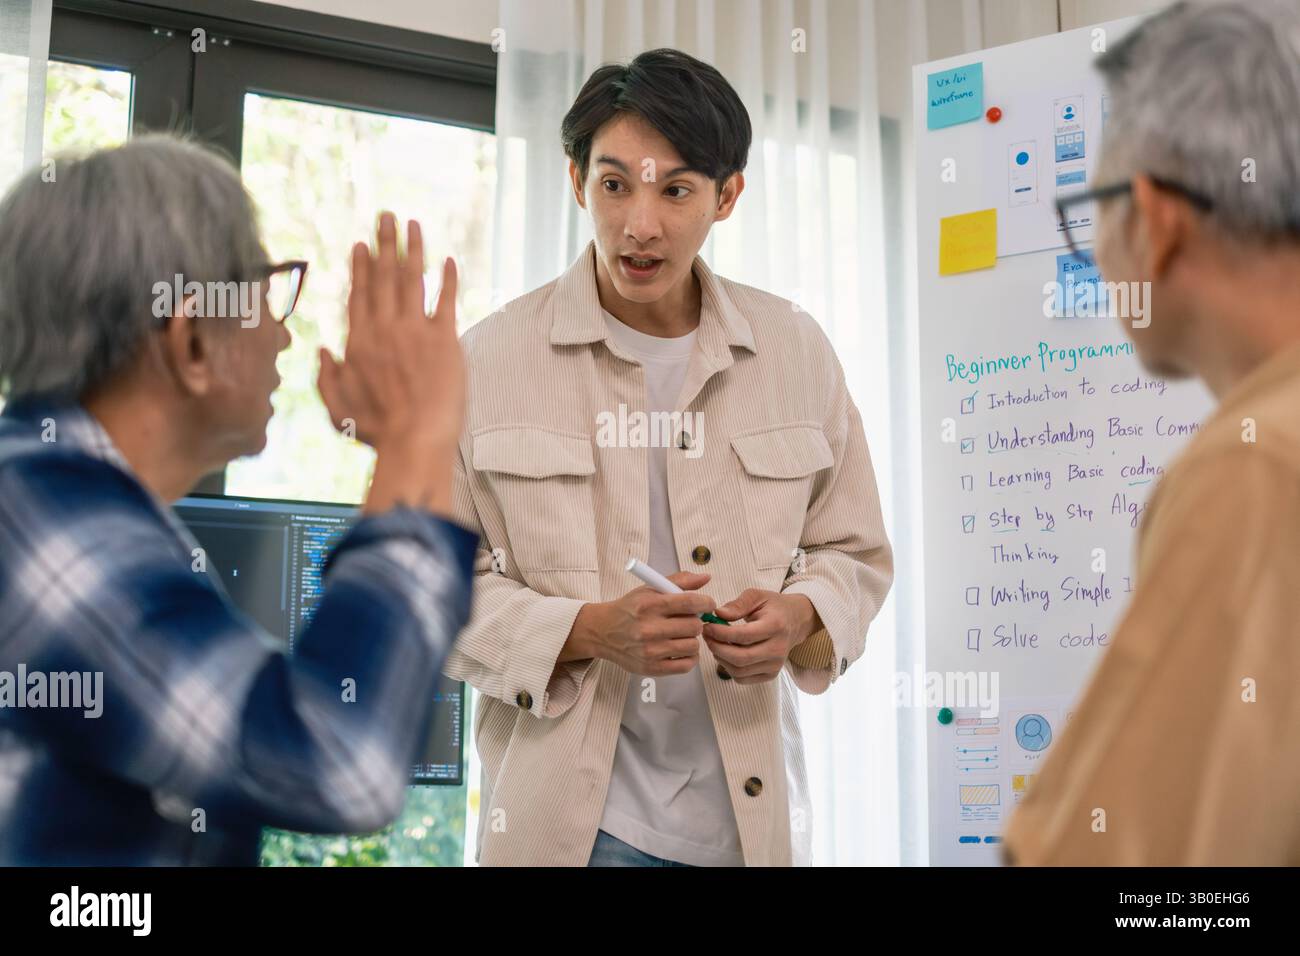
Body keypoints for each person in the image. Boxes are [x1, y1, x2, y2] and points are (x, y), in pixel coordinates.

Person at [444, 49, 893, 866]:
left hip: (748, 829)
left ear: (727, 196)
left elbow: (853, 553)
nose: (639, 223)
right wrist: (586, 631)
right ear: (577, 181)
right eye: (614, 184)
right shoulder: (488, 363)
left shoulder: (794, 352)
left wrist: (799, 617)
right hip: (569, 834)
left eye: (675, 190)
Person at [0, 135, 475, 865]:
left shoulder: (64, 501)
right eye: (265, 290)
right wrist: (421, 438)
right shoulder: (34, 518)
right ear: (191, 342)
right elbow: (337, 759)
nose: (284, 334)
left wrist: (405, 452)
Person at [1005, 0, 1300, 865]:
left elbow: (1133, 866)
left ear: (1155, 219)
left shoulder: (1257, 468)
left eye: (1094, 213)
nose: (1096, 252)